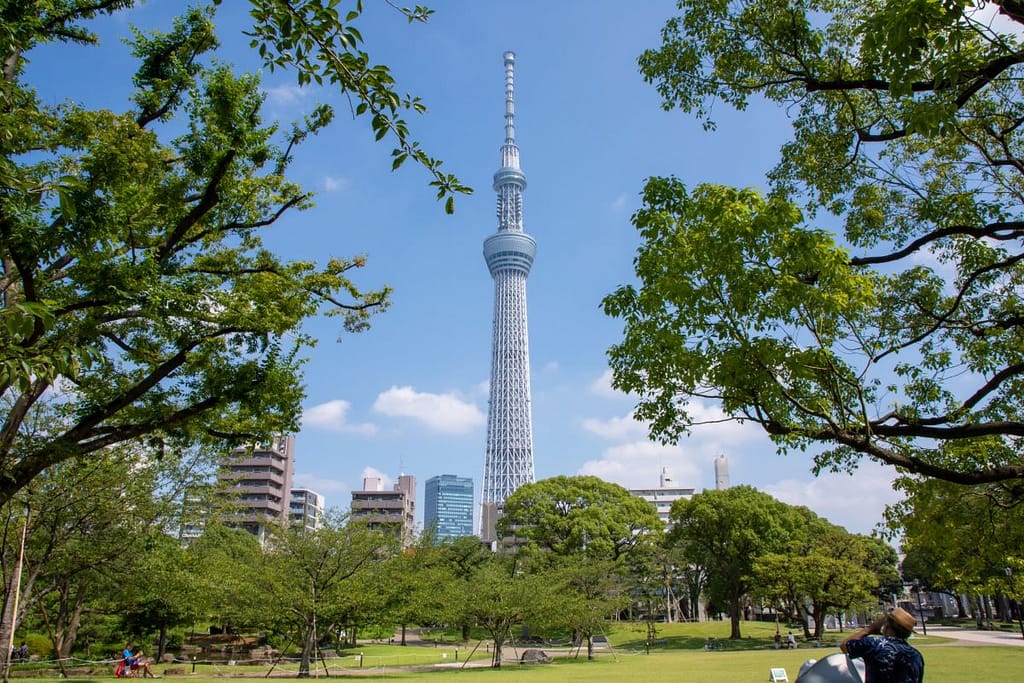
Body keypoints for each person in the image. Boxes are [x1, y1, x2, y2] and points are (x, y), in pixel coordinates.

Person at [840, 607, 924, 683]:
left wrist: (869, 629)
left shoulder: (874, 644)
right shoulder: (916, 655)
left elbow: (845, 645)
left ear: (887, 626)